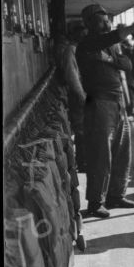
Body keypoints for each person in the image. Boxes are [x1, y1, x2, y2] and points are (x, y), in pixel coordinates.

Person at [76, 3, 134, 218]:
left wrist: (111, 60)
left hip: (117, 101)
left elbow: (128, 65)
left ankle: (116, 195)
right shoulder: (87, 44)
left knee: (122, 151)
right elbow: (109, 41)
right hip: (99, 103)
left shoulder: (113, 45)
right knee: (100, 154)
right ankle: (96, 202)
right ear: (89, 24)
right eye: (101, 20)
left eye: (107, 19)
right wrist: (131, 29)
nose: (106, 23)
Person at [58, 20, 87, 171]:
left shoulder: (81, 49)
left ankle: (85, 159)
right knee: (81, 128)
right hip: (78, 95)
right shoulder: (70, 50)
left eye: (84, 29)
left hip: (86, 93)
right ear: (73, 33)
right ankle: (82, 162)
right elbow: (71, 76)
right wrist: (81, 96)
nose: (83, 32)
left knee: (86, 128)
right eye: (79, 30)